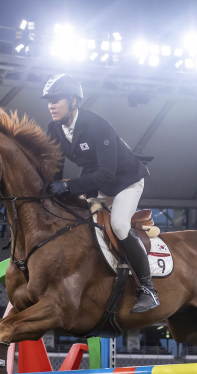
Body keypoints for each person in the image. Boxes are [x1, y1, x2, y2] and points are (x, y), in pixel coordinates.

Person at [41, 74, 159, 314]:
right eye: (48, 100)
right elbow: (55, 168)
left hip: (126, 182)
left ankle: (148, 289)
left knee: (118, 225)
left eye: (56, 99)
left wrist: (68, 186)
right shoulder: (54, 129)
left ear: (74, 101)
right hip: (98, 184)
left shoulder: (97, 125)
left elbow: (107, 174)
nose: (51, 105)